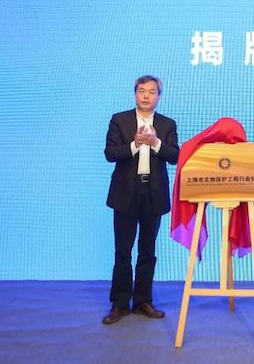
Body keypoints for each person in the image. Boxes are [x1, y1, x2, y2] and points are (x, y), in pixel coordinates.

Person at [102, 75, 179, 325]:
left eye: (152, 92)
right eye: (142, 91)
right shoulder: (120, 120)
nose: (146, 96)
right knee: (122, 251)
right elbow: (110, 153)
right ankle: (120, 303)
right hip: (126, 192)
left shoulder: (167, 124)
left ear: (159, 97)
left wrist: (155, 142)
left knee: (148, 250)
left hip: (153, 193)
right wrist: (134, 144)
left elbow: (175, 156)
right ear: (135, 93)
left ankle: (143, 301)